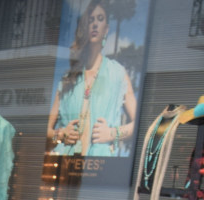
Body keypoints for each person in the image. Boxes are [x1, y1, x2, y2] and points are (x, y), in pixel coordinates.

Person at [46, 1, 137, 157]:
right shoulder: (68, 79)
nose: (95, 24)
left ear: (106, 29)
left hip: (100, 167)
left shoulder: (117, 73)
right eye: (90, 20)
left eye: (100, 19)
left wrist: (112, 133)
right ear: (84, 28)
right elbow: (45, 130)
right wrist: (60, 134)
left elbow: (138, 124)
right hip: (64, 165)